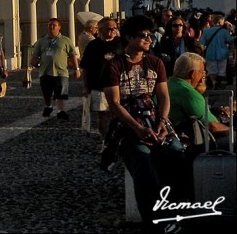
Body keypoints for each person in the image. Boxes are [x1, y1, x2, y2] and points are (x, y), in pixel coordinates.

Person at [102, 14, 185, 227]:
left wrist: (163, 122)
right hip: (128, 123)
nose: (149, 39)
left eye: (150, 35)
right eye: (143, 35)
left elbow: (163, 97)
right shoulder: (114, 65)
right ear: (128, 38)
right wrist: (137, 128)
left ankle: (177, 210)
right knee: (142, 161)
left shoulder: (156, 63)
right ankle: (154, 220)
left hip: (155, 119)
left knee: (177, 154)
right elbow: (114, 103)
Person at [168, 52, 230, 153]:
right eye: (202, 72)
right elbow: (213, 126)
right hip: (196, 142)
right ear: (193, 74)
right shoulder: (187, 93)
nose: (204, 76)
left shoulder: (168, 84)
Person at [30, 18, 80, 120]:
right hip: (45, 72)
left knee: (61, 92)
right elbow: (35, 55)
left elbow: (72, 55)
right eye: (50, 25)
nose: (51, 27)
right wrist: (30, 67)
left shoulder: (65, 40)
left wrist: (76, 68)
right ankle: (48, 106)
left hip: (61, 72)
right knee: (46, 93)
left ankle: (60, 111)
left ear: (59, 27)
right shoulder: (41, 41)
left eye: (54, 25)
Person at [79, 17, 121, 138]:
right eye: (109, 29)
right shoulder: (93, 45)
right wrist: (85, 87)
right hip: (99, 86)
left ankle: (117, 138)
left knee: (118, 114)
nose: (112, 31)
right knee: (103, 115)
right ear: (100, 29)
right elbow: (86, 67)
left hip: (119, 86)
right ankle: (106, 139)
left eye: (114, 28)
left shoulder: (120, 43)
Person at [199, 13, 235, 90]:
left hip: (210, 54)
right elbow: (230, 41)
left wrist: (202, 51)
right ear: (220, 22)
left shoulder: (207, 31)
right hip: (222, 54)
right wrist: (231, 50)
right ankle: (218, 83)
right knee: (221, 71)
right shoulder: (224, 31)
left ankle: (214, 81)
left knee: (212, 70)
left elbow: (201, 43)